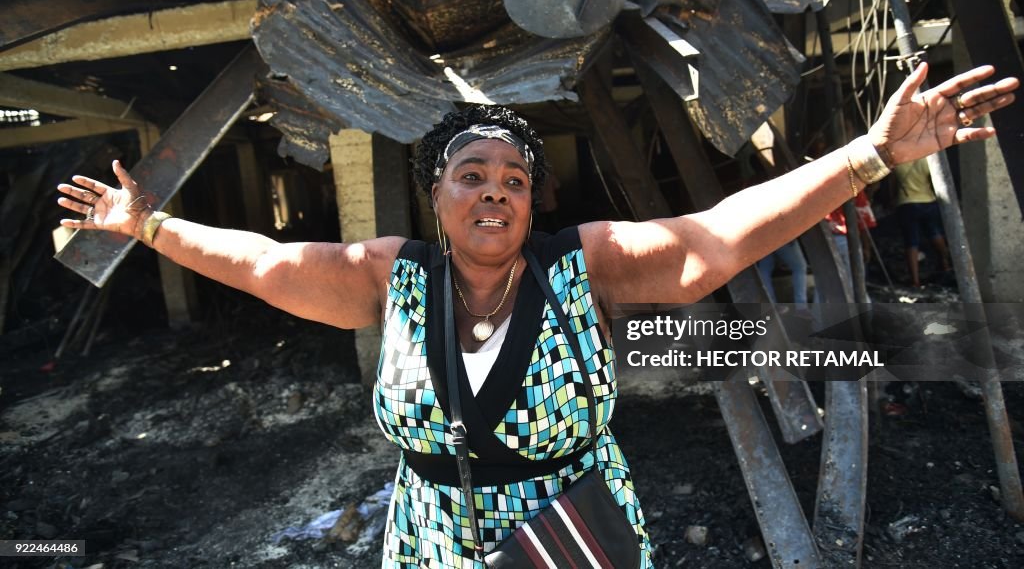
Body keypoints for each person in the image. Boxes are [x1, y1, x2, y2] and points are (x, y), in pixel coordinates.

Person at [56, 62, 1016, 567]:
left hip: (578, 537)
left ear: (531, 201)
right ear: (436, 195)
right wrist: (151, 227)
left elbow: (713, 240)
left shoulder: (578, 267)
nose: (494, 193)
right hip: (431, 543)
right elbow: (264, 261)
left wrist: (869, 157)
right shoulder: (391, 280)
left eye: (514, 180)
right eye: (470, 175)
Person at [892, 157, 951, 287]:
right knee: (935, 233)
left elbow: (892, 186)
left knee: (911, 242)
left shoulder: (897, 161)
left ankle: (915, 280)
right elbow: (934, 182)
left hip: (906, 203)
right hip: (928, 201)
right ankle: (946, 263)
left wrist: (890, 202)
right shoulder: (926, 160)